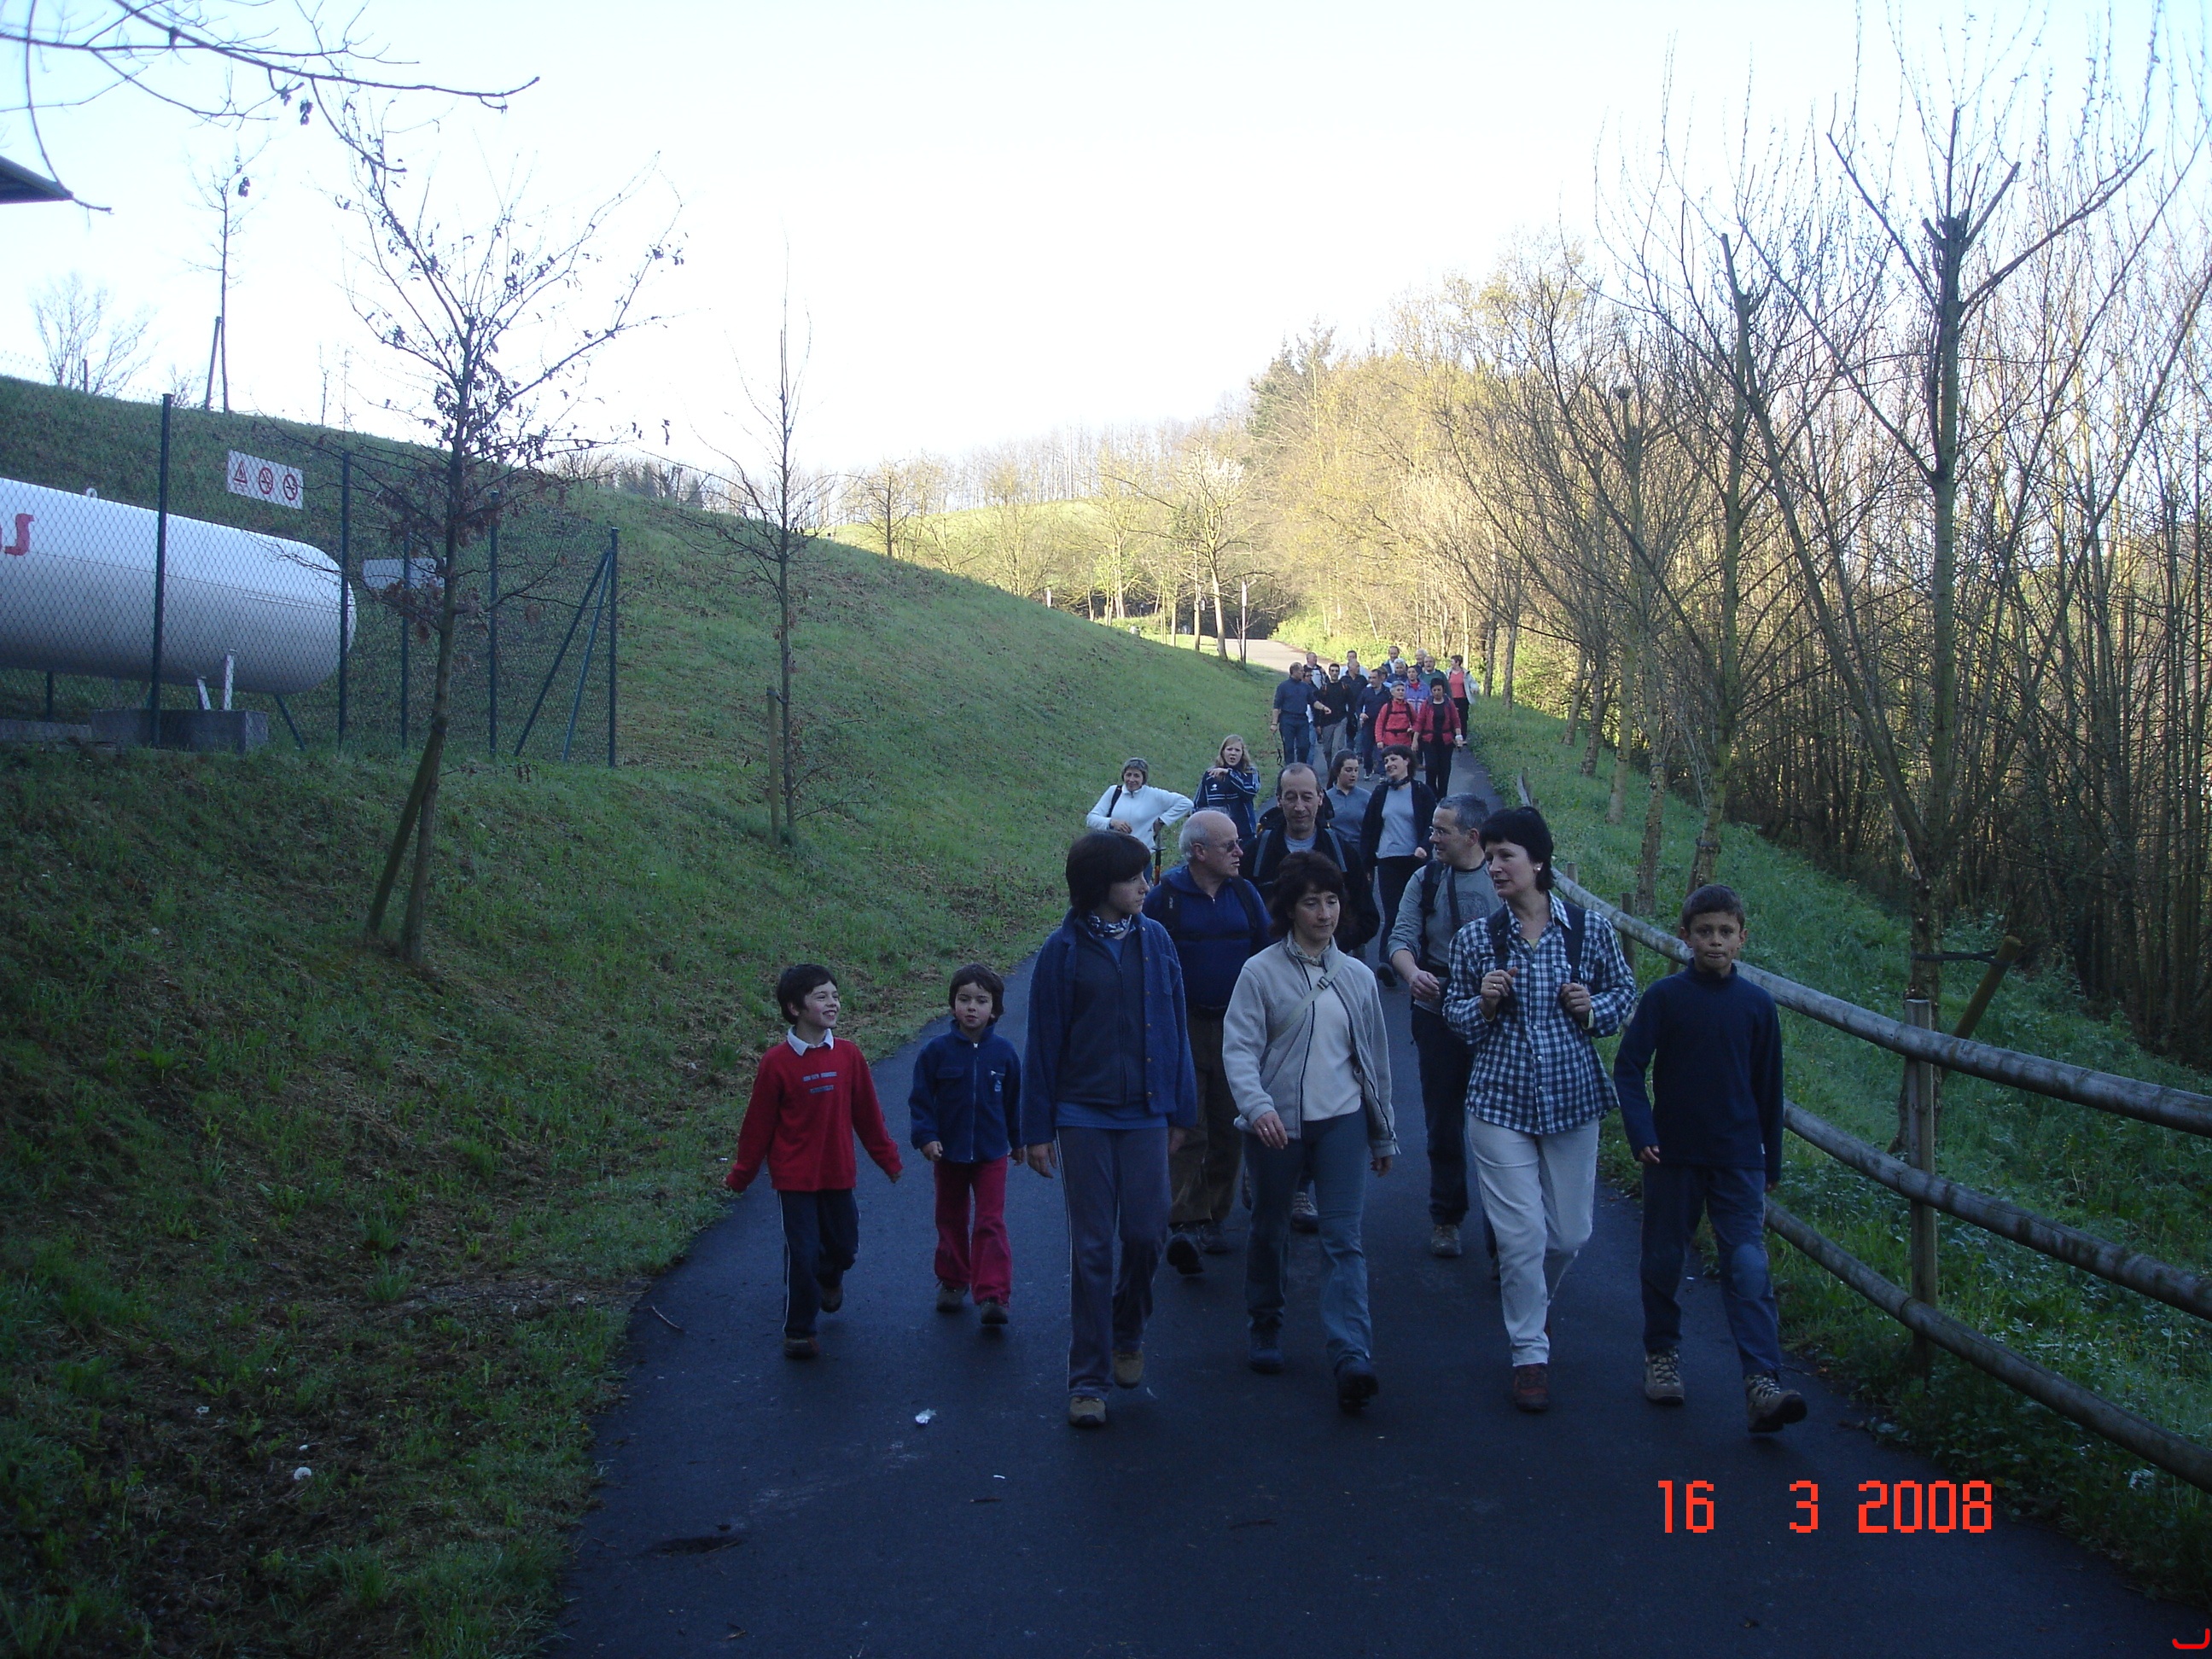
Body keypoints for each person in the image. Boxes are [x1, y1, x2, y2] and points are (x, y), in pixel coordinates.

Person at [1442, 807, 1636, 1414]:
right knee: (1521, 1236)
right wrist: (1482, 1004)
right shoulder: (1478, 939)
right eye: (1491, 856)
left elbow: (1623, 994)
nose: (1495, 867)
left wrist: (1592, 1008)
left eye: (1507, 856)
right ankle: (1529, 1353)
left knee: (1570, 1234)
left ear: (1539, 862)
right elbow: (1455, 1016)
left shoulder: (1588, 931)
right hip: (1499, 1103)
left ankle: (1532, 1304)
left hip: (1573, 1101)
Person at [1614, 884, 1807, 1434]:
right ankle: (1662, 1354)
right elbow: (1629, 1067)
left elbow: (1769, 1088)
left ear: (1742, 939)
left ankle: (1762, 1383)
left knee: (1748, 1265)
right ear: (1685, 937)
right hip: (1672, 1154)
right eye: (1704, 932)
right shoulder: (1666, 998)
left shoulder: (1757, 1006)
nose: (1715, 941)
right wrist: (1642, 1130)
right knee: (1663, 1259)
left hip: (1739, 1157)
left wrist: (1771, 1162)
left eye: (1725, 932)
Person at [1022, 832, 1199, 1429]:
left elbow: (1175, 1028)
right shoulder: (1062, 951)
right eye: (1133, 878)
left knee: (1147, 1235)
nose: (1146, 887)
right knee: (1093, 1247)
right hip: (1082, 1114)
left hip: (1147, 1112)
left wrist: (1181, 1109)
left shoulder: (1156, 940)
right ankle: (1088, 1378)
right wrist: (1036, 1128)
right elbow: (1042, 1042)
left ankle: (1128, 1329)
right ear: (1100, 885)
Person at [1222, 851, 1396, 1411]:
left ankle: (1351, 1354)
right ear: (1289, 909)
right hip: (1276, 1127)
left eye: (1332, 901)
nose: (1324, 914)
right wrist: (1257, 1108)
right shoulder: (1260, 973)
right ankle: (1265, 1324)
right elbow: (1239, 1050)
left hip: (1343, 1121)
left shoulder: (1359, 978)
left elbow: (1374, 1061)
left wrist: (1382, 1133)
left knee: (1343, 1239)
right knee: (1270, 1229)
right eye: (1311, 903)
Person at [726, 965, 905, 1359]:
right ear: (795, 1008)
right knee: (802, 1254)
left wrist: (887, 1159)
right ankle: (799, 1330)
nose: (833, 1003)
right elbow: (757, 1125)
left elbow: (867, 1115)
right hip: (794, 1178)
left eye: (835, 995)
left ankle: (831, 1277)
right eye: (821, 997)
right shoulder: (776, 1063)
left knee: (845, 1247)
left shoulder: (848, 1055)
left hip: (838, 1172)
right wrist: (742, 1174)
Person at [1144, 811, 1272, 1274]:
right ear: (1198, 852)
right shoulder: (1165, 899)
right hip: (1183, 1026)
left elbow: (1266, 952)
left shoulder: (1245, 894)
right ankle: (1185, 1219)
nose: (1240, 852)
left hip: (1237, 1027)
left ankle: (1215, 1214)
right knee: (1187, 1122)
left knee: (1228, 1124)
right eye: (1229, 846)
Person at [1386, 795, 1502, 1261]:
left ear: (1472, 837)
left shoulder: (1503, 878)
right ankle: (1447, 1217)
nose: (1431, 838)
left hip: (1498, 1020)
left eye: (1441, 831)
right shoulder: (1427, 879)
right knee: (1443, 1122)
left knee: (1500, 1130)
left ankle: (1504, 1239)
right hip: (1437, 1015)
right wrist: (1413, 974)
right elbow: (1400, 938)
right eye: (1432, 829)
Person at [909, 963, 1022, 1326]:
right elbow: (921, 1101)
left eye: (981, 1001)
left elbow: (1014, 1103)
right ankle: (953, 1279)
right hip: (949, 1153)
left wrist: (1019, 1140)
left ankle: (993, 1294)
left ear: (995, 1010)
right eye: (964, 999)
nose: (972, 1007)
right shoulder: (936, 1052)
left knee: (990, 1220)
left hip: (992, 1153)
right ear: (952, 1005)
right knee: (950, 1217)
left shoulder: (1004, 1054)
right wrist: (926, 1137)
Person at [1359, 747, 1435, 981]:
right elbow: (1369, 829)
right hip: (1388, 860)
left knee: (1418, 911)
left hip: (1415, 860)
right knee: (1392, 912)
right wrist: (1366, 865)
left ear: (1407, 761)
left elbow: (1432, 824)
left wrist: (1424, 846)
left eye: (1393, 759)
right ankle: (1388, 962)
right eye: (1386, 761)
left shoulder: (1421, 791)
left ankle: (1419, 960)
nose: (1389, 764)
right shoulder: (1380, 792)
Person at [1086, 758, 1192, 867]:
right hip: (1112, 856)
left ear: (1144, 778)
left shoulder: (1154, 795)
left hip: (1140, 858)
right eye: (1128, 775)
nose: (1131, 779)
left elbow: (1186, 803)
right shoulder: (1114, 792)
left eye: (1136, 776)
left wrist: (1162, 820)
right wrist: (1112, 822)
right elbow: (1091, 819)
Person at [1191, 736, 1260, 846]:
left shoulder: (1250, 772)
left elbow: (1250, 792)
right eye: (1229, 749)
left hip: (1244, 835)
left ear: (1242, 753)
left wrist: (1229, 774)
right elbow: (1199, 804)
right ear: (1223, 752)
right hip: (1217, 837)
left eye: (1237, 750)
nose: (1233, 753)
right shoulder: (1210, 775)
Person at [1414, 678, 1466, 796]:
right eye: (1434, 690)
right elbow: (1420, 722)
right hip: (1429, 741)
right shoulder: (1427, 704)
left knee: (1444, 770)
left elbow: (1456, 721)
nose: (1437, 692)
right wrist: (1415, 740)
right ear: (1431, 691)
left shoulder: (1449, 703)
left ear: (1443, 690)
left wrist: (1459, 736)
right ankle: (1431, 795)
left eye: (1439, 690)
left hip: (1446, 741)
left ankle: (1443, 796)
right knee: (1431, 768)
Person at [1270, 662, 1319, 766]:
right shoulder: (1283, 687)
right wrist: (1274, 723)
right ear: (1294, 672)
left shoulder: (1305, 687)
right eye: (1301, 671)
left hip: (1302, 719)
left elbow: (1313, 701)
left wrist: (1323, 707)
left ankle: (1302, 767)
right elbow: (1277, 706)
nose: (1303, 673)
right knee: (1289, 747)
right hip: (1287, 719)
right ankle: (1289, 768)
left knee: (1304, 746)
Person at [1355, 668, 1392, 776]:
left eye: (1374, 678)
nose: (1371, 680)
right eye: (1370, 678)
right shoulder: (1366, 691)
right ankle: (1368, 769)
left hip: (1383, 724)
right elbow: (1358, 705)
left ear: (1381, 678)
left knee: (1381, 749)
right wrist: (1360, 714)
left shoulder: (1387, 692)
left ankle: (1382, 772)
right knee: (1366, 749)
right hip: (1368, 723)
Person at [1324, 751, 1371, 830]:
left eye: (1356, 770)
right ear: (1337, 771)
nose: (1353, 774)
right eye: (1348, 770)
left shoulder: (1367, 797)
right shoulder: (1326, 798)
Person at [1371, 679, 1418, 754]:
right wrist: (1379, 740)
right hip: (1389, 742)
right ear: (1392, 693)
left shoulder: (1408, 706)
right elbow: (1379, 724)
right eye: (1398, 690)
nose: (1401, 692)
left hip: (1405, 742)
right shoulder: (1387, 707)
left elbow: (1417, 722)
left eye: (1403, 690)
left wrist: (1412, 729)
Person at [1447, 654, 1471, 730]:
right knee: (1450, 718)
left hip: (1462, 700)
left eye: (1452, 661)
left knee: (1462, 718)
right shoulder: (1448, 673)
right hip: (1450, 699)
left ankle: (1463, 734)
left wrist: (1474, 688)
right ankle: (1452, 734)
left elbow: (1472, 683)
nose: (1451, 663)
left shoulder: (1465, 673)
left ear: (1457, 663)